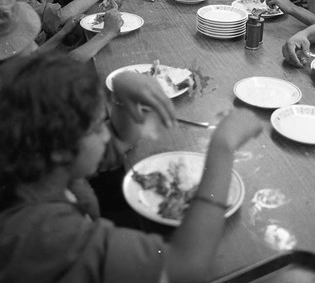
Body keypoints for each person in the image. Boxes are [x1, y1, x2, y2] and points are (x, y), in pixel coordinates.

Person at [0, 52, 261, 283]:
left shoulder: (40, 169)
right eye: (96, 126)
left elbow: (120, 142)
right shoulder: (43, 235)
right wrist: (223, 148)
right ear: (58, 148)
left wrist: (121, 92)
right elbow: (186, 267)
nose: (106, 134)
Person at [0, 0, 123, 66]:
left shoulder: (12, 53)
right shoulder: (11, 78)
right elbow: (66, 65)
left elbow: (35, 55)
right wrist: (107, 33)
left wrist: (64, 32)